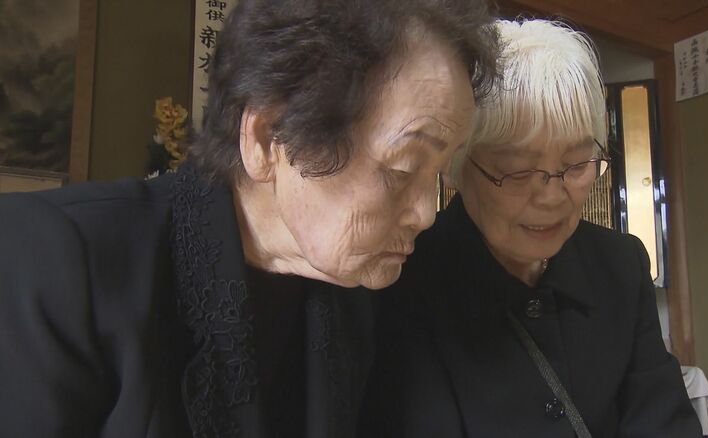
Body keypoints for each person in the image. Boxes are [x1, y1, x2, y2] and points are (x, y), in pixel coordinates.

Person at [0, 1, 500, 436]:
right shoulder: (55, 262)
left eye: (439, 174)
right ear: (266, 139)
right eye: (403, 168)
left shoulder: (366, 291)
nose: (426, 214)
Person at [360, 19, 702, 437]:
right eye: (518, 171)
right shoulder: (401, 277)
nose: (552, 196)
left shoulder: (619, 265)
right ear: (455, 165)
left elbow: (664, 422)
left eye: (576, 165)